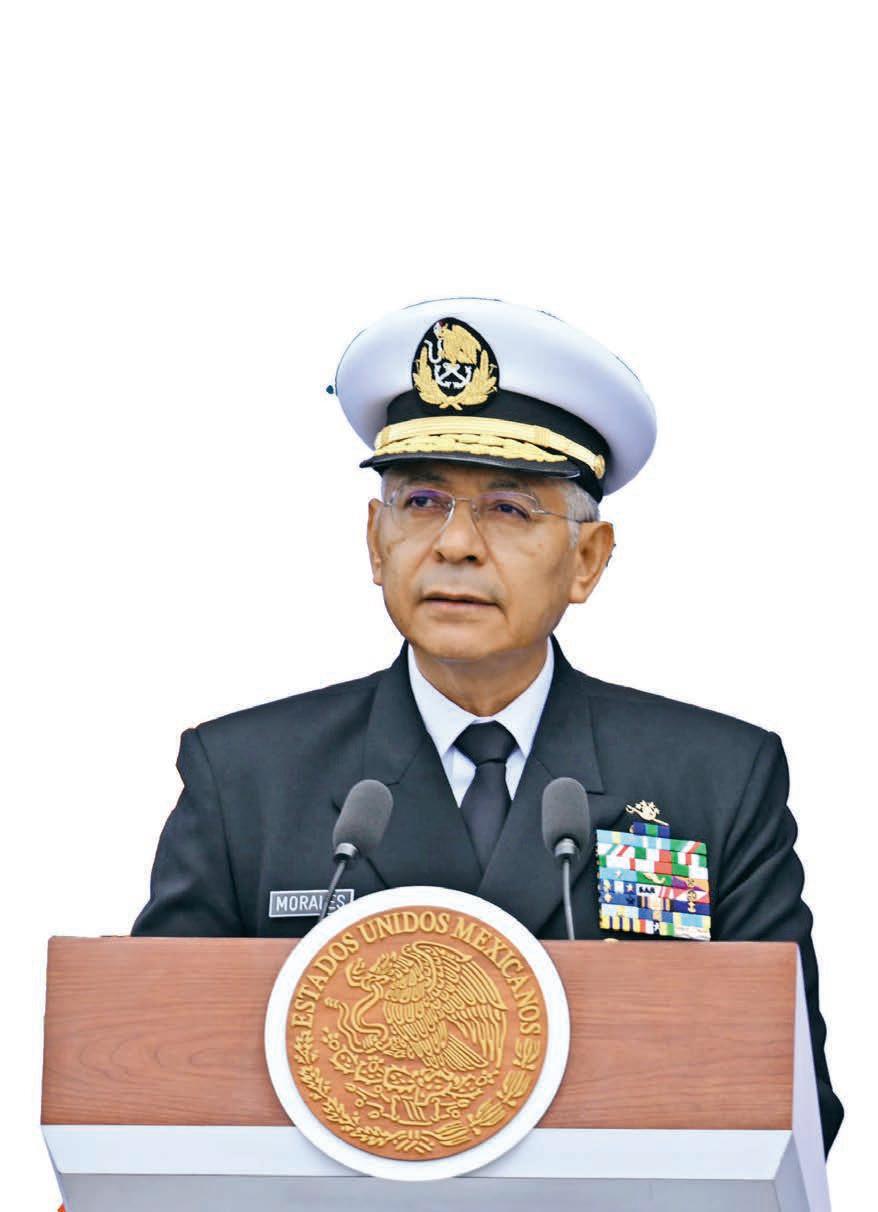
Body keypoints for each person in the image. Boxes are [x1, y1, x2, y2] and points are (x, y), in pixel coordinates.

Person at [131, 297, 843, 1153]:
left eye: (509, 509)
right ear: (375, 540)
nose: (456, 544)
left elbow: (791, 1100)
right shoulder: (245, 776)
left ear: (587, 560)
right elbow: (150, 1085)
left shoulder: (716, 779)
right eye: (422, 501)